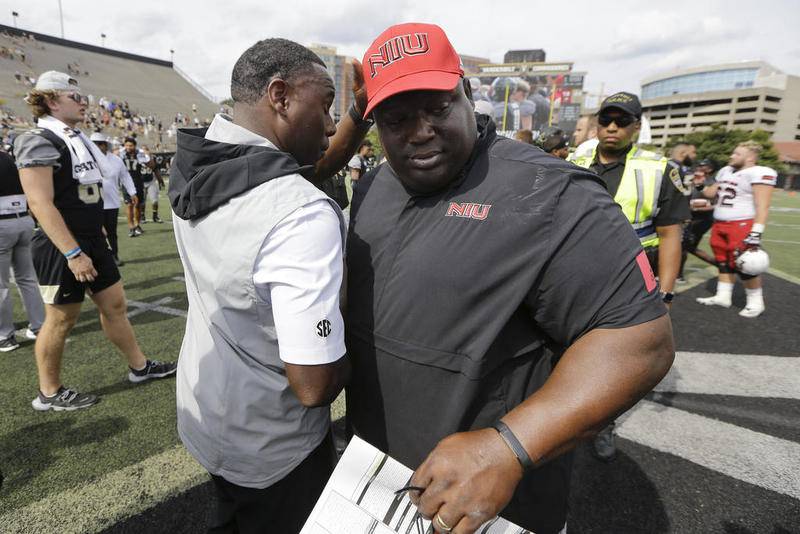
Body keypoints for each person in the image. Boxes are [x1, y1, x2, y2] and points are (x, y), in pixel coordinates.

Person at [346, 23, 674, 534]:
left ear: (466, 94)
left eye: (436, 107)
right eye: (396, 118)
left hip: (491, 508)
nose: (419, 130)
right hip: (374, 482)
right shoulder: (373, 185)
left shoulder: (551, 193)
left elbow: (641, 342)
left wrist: (509, 446)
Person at [169, 39, 371, 533]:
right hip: (275, 443)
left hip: (207, 409)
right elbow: (313, 384)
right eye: (324, 105)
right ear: (279, 96)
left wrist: (357, 117)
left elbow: (298, 170)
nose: (329, 124)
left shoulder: (196, 163)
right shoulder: (299, 211)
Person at [13, 71, 176, 411]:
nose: (84, 102)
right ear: (52, 100)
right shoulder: (39, 139)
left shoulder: (77, 137)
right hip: (62, 245)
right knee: (60, 318)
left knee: (115, 305)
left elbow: (85, 190)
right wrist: (72, 251)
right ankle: (49, 391)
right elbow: (39, 202)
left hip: (90, 237)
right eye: (75, 97)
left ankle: (139, 367)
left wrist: (95, 231)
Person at [571, 93, 688, 461]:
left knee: (616, 360)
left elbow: (671, 235)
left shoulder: (658, 168)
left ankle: (604, 421)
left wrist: (665, 295)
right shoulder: (576, 160)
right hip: (577, 273)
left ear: (637, 127)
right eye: (607, 120)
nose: (612, 128)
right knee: (567, 352)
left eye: (622, 122)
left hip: (633, 280)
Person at [695, 141, 776, 317]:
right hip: (720, 223)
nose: (732, 156)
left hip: (741, 224)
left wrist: (756, 232)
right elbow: (711, 194)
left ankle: (756, 302)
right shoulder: (725, 171)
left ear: (750, 158)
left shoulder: (759, 172)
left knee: (747, 264)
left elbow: (763, 205)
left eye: (737, 154)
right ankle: (723, 296)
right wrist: (700, 185)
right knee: (722, 261)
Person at [0, 147, 44, 352]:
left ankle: (5, 335)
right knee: (27, 278)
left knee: (1, 285)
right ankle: (39, 325)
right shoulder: (10, 159)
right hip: (24, 221)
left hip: (3, 225)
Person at [90, 132, 137, 266]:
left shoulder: (116, 160)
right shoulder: (85, 159)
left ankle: (114, 256)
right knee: (95, 233)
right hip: (92, 203)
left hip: (111, 203)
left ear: (106, 145)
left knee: (111, 232)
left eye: (100, 144)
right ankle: (99, 258)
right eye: (94, 144)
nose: (98, 147)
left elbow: (125, 177)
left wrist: (132, 192)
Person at [679, 160, 717, 281]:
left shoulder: (712, 184)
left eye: (703, 165)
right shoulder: (692, 179)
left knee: (684, 245)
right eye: (699, 165)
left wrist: (698, 207)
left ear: (710, 169)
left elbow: (716, 204)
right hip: (690, 217)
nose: (699, 166)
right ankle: (721, 265)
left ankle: (679, 275)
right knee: (688, 246)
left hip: (702, 219)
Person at [120, 136, 146, 237]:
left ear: (134, 146)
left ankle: (137, 225)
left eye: (130, 145)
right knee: (129, 205)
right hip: (126, 182)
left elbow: (145, 162)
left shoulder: (139, 153)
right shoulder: (122, 154)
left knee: (137, 205)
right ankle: (131, 227)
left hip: (138, 182)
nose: (128, 147)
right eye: (126, 145)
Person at [138, 145, 164, 224]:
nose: (145, 152)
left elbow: (156, 171)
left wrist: (160, 181)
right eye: (143, 151)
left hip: (151, 181)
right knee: (142, 201)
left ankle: (155, 216)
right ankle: (142, 217)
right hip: (141, 182)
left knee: (155, 200)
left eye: (146, 150)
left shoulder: (152, 159)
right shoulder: (138, 159)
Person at [346, 139, 373, 206]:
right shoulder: (356, 159)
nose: (370, 151)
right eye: (368, 149)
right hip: (357, 192)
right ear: (363, 147)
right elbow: (354, 180)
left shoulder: (365, 159)